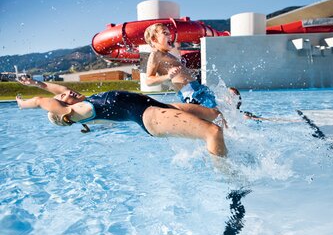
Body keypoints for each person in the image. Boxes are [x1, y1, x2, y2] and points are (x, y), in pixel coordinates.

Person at [15, 77, 227, 157]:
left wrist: (36, 83)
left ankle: (234, 144)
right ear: (63, 113)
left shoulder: (82, 102)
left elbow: (58, 88)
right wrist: (23, 103)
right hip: (150, 116)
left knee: (216, 115)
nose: (67, 92)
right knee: (212, 132)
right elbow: (40, 101)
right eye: (63, 98)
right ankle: (228, 178)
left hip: (159, 106)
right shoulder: (79, 113)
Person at [144, 23, 217, 108]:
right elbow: (148, 81)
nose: (170, 36)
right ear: (154, 39)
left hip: (197, 89)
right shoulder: (156, 54)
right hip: (190, 93)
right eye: (165, 33)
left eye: (169, 33)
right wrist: (168, 76)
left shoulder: (168, 55)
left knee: (219, 113)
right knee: (216, 114)